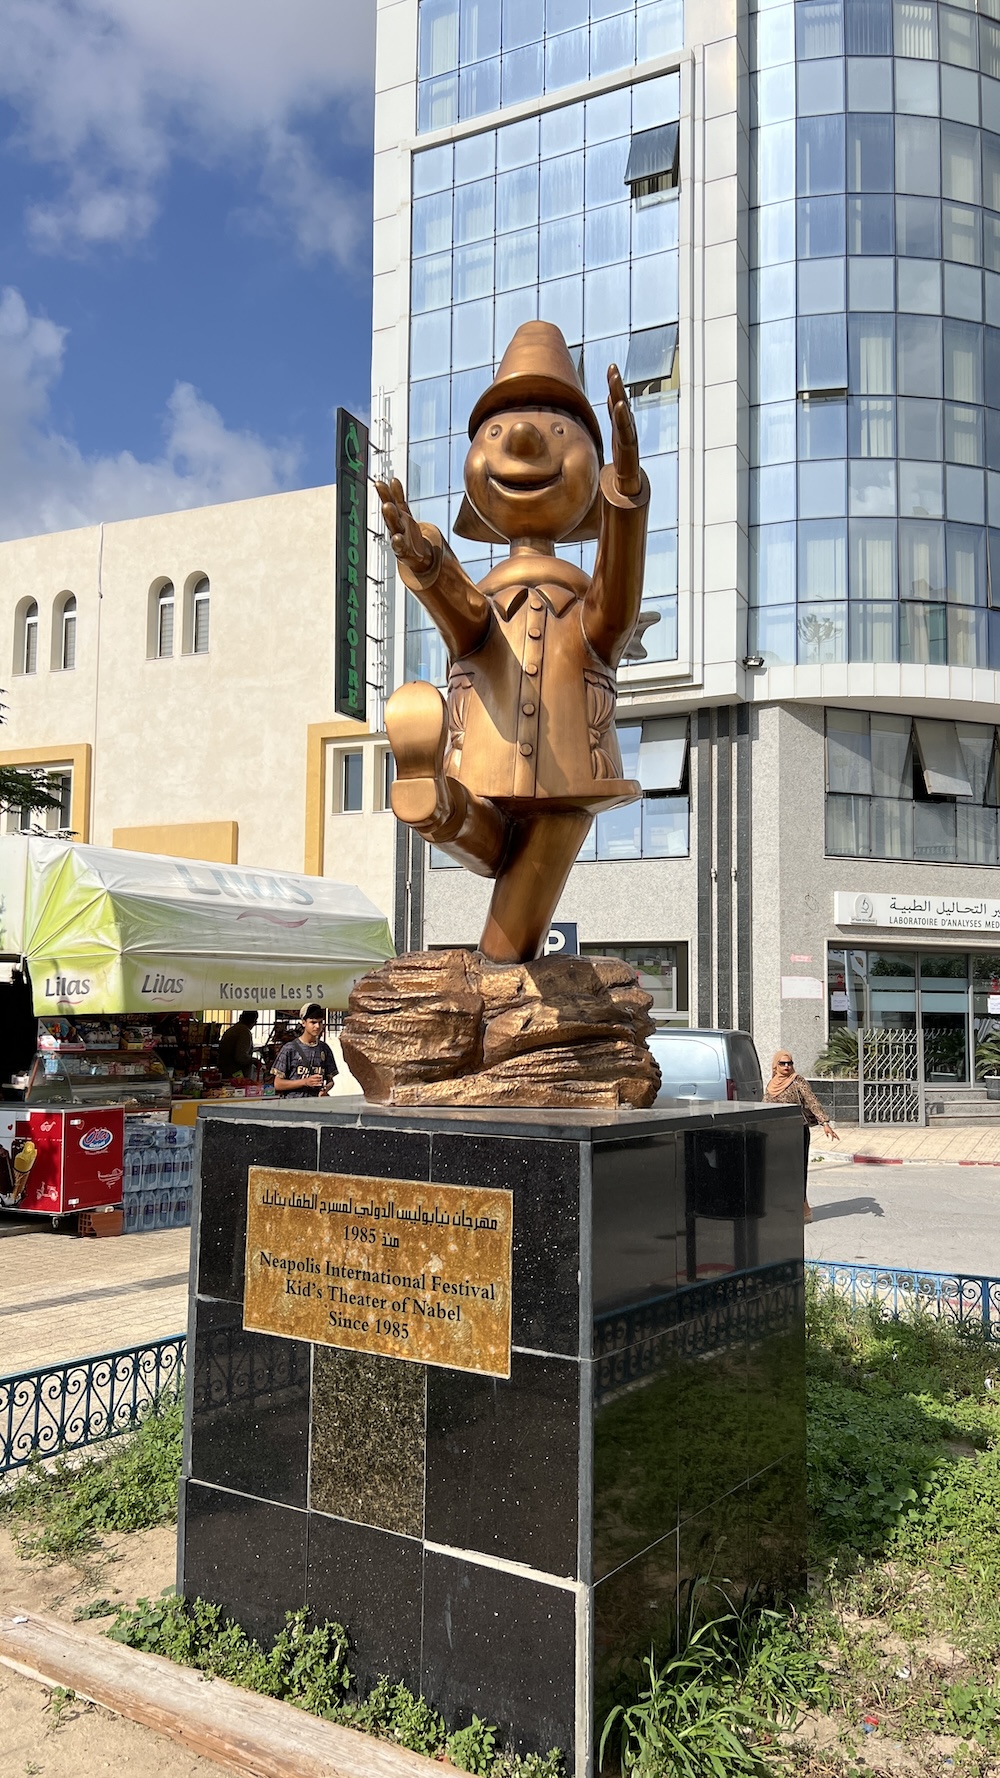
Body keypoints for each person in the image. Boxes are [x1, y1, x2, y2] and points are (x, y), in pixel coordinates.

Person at [764, 1051, 839, 1222]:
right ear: (775, 1065)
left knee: (796, 1171)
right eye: (782, 1063)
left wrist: (825, 1123)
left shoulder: (798, 1081)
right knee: (778, 1171)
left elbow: (812, 1101)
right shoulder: (771, 1083)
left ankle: (802, 1210)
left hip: (797, 1131)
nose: (786, 1067)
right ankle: (791, 1208)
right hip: (777, 1133)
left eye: (789, 1063)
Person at [272, 1005, 338, 1098]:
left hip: (316, 1105)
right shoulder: (289, 1048)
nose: (317, 1026)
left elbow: (330, 1080)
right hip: (294, 1105)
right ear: (303, 1023)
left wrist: (325, 1089)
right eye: (313, 1022)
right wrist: (305, 1082)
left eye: (320, 1022)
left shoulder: (324, 1048)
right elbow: (278, 1084)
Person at [217, 1010, 258, 1080]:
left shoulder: (232, 1029)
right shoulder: (244, 1032)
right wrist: (254, 1061)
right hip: (235, 1073)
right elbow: (241, 1057)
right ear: (253, 1022)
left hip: (225, 1070)